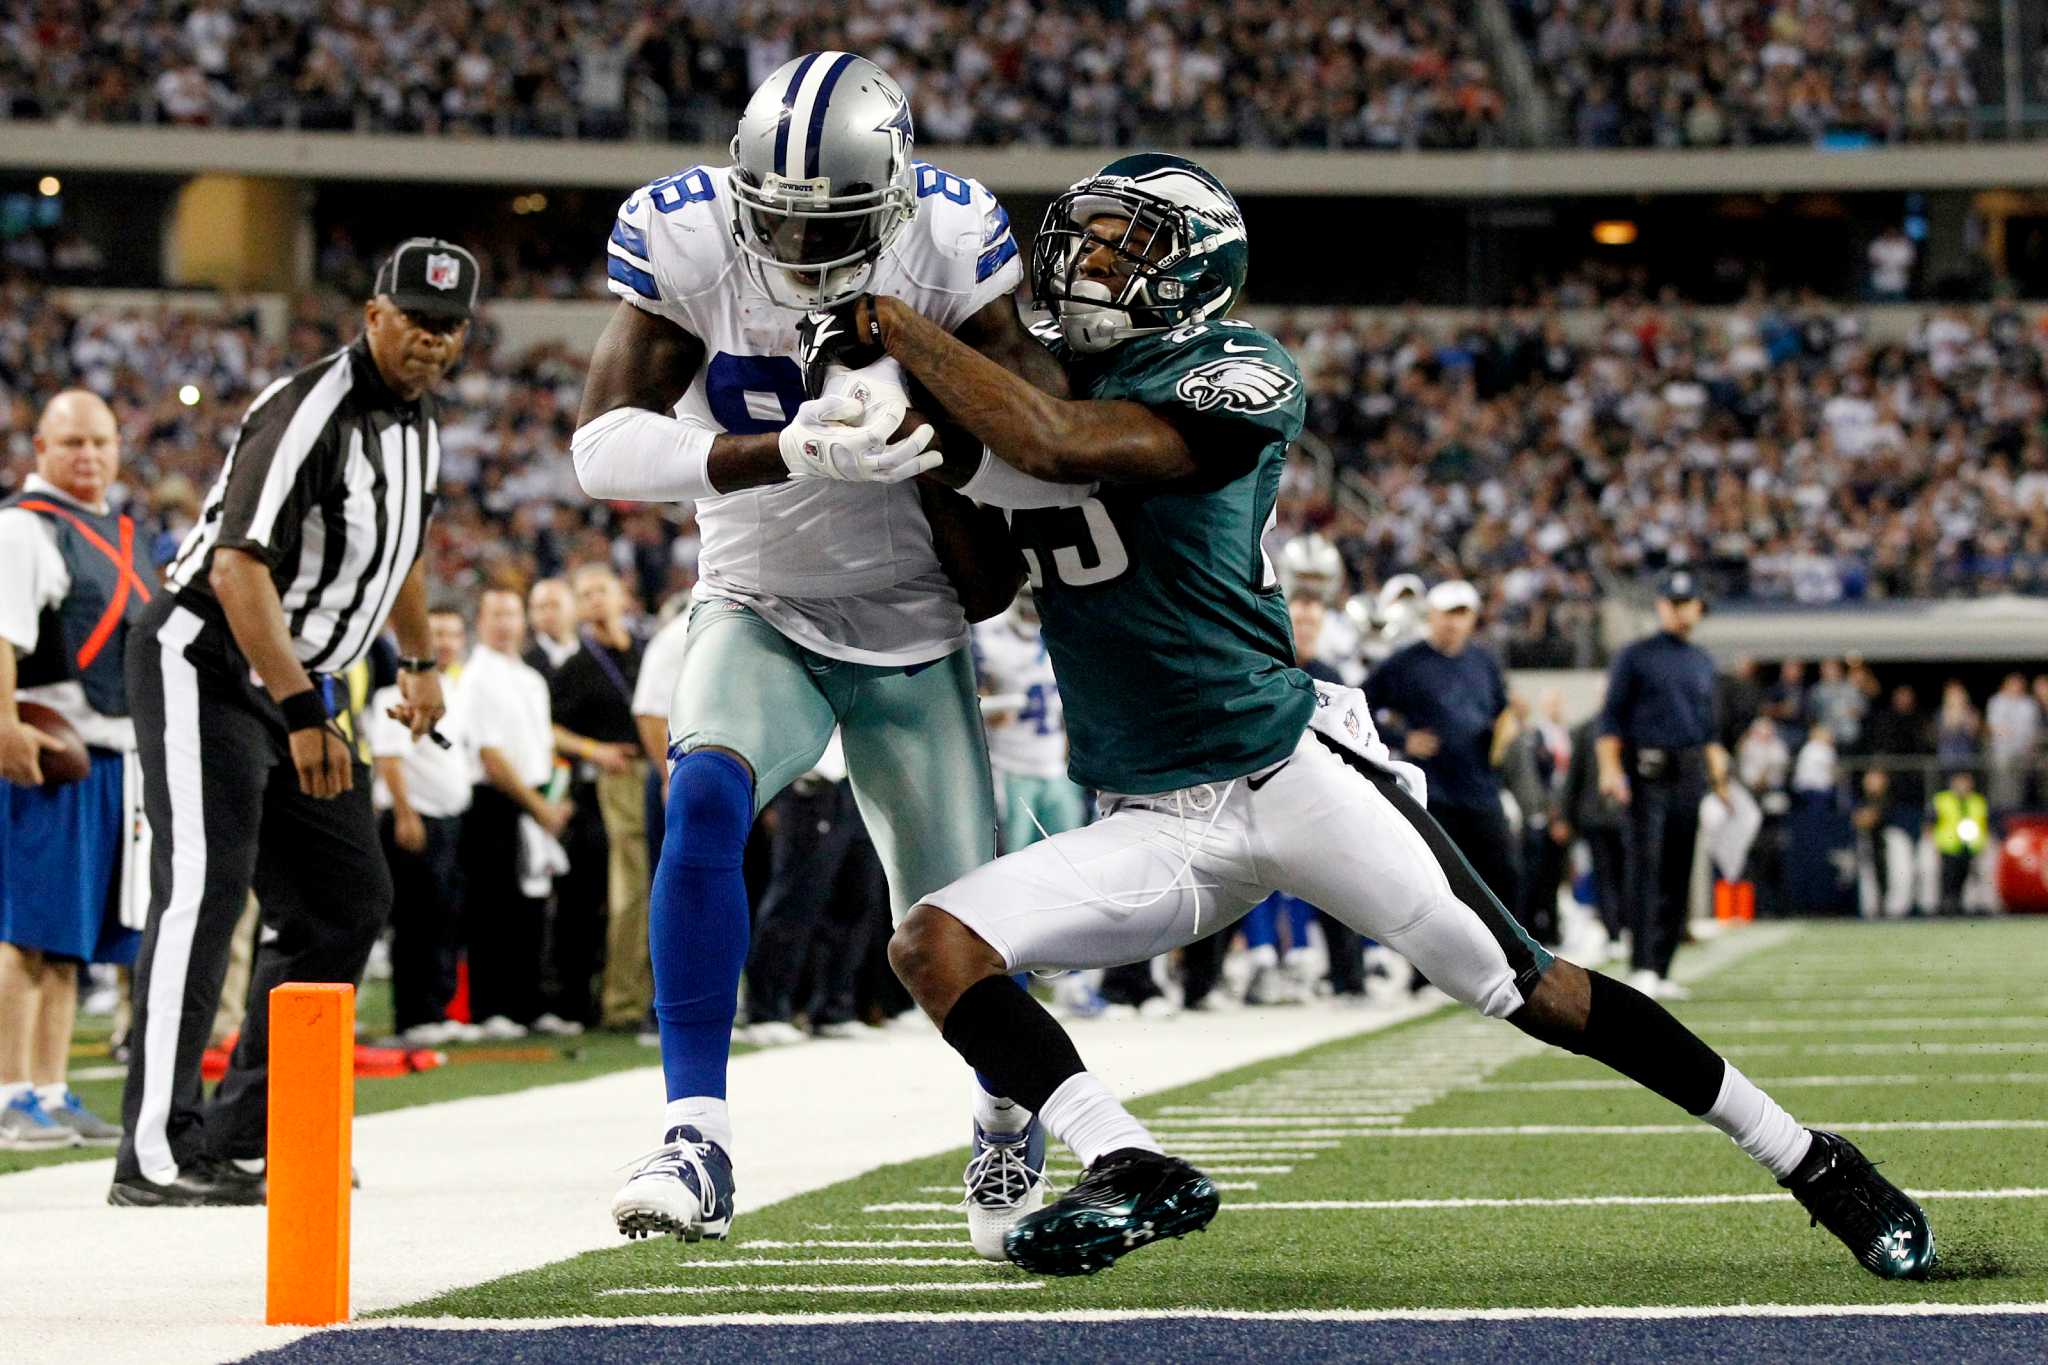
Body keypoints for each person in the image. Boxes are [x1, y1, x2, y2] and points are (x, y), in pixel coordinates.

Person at [845, 151, 1929, 1285]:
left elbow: (1058, 445)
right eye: (1085, 235)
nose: (1088, 261)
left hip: (1287, 775)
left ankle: (1811, 1161)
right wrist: (911, 446)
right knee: (933, 941)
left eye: (1127, 244)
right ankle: (1126, 1159)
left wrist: (899, 331)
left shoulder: (1231, 367)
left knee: (1532, 991)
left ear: (1194, 271)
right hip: (1150, 814)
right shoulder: (1021, 389)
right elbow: (978, 582)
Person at [574, 52, 1067, 1260]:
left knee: (954, 929)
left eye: (826, 222)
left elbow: (1041, 435)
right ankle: (694, 1132)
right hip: (758, 597)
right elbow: (597, 450)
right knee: (699, 796)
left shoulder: (951, 239)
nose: (796, 247)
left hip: (913, 619)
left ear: (891, 196)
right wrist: (785, 449)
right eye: (777, 219)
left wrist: (936, 440)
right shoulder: (686, 237)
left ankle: (1004, 1115)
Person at [114, 238, 475, 1205]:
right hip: (208, 659)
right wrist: (305, 709)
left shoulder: (421, 426)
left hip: (294, 682)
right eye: (415, 321)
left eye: (447, 328)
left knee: (346, 899)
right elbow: (238, 567)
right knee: (202, 890)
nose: (429, 342)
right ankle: (155, 1150)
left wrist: (423, 659)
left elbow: (399, 553)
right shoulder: (312, 407)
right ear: (373, 314)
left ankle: (240, 1129)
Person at [0, 390, 150, 1150]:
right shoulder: (25, 529)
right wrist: (4, 724)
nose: (87, 456)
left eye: (99, 441)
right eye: (71, 443)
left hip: (110, 759)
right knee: (23, 930)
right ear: (41, 451)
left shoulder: (120, 532)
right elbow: (1, 633)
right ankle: (7, 1091)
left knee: (67, 941)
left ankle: (50, 1089)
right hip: (49, 753)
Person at [1596, 570, 1729, 1001]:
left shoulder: (1702, 660)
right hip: (1647, 772)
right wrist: (1611, 770)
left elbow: (1708, 730)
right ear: (1660, 606)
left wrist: (1721, 781)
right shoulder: (1635, 656)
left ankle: (1664, 965)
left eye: (1687, 603)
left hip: (1689, 773)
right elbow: (1611, 720)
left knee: (1678, 869)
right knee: (1645, 869)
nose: (1680, 610)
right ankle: (1641, 965)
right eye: (1673, 602)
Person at [1366, 579, 1518, 916]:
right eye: (1447, 613)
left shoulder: (1484, 661)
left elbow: (1501, 712)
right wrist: (1401, 741)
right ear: (1431, 615)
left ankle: (1505, 960)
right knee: (1436, 883)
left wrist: (1506, 729)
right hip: (1433, 792)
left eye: (1461, 614)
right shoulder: (1405, 663)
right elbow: (1358, 706)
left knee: (1504, 875)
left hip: (1481, 788)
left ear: (1472, 618)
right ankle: (1424, 970)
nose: (1453, 622)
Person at [460, 588, 572, 1036]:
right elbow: (489, 752)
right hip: (495, 801)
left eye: (512, 614)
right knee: (494, 907)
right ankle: (493, 1008)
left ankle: (528, 1004)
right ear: (481, 622)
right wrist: (539, 806)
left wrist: (553, 799)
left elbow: (543, 746)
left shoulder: (531, 679)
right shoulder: (477, 677)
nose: (505, 623)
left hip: (537, 799)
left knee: (533, 907)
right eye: (496, 615)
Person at [549, 564, 647, 1033]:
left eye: (600, 590)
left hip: (663, 772)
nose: (593, 601)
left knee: (661, 885)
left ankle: (652, 997)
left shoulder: (646, 651)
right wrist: (595, 750)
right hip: (619, 778)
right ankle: (623, 1001)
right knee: (631, 891)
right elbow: (547, 727)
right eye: (583, 594)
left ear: (621, 595)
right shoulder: (576, 664)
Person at [368, 606, 472, 1045]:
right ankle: (412, 1016)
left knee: (443, 917)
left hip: (449, 819)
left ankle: (437, 1008)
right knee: (415, 920)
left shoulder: (453, 689)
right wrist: (406, 813)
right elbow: (389, 756)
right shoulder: (395, 691)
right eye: (438, 634)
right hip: (416, 818)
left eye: (452, 633)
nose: (446, 642)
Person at [1932, 769, 1988, 915]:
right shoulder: (1942, 799)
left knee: (1965, 878)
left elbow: (1983, 824)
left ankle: (1960, 907)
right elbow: (1931, 822)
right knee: (1948, 878)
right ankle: (1945, 907)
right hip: (1949, 846)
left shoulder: (1978, 801)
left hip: (1969, 847)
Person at [523, 578, 579, 684]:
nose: (548, 613)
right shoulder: (524, 661)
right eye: (541, 607)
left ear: (574, 608)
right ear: (530, 614)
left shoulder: (595, 653)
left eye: (555, 605)